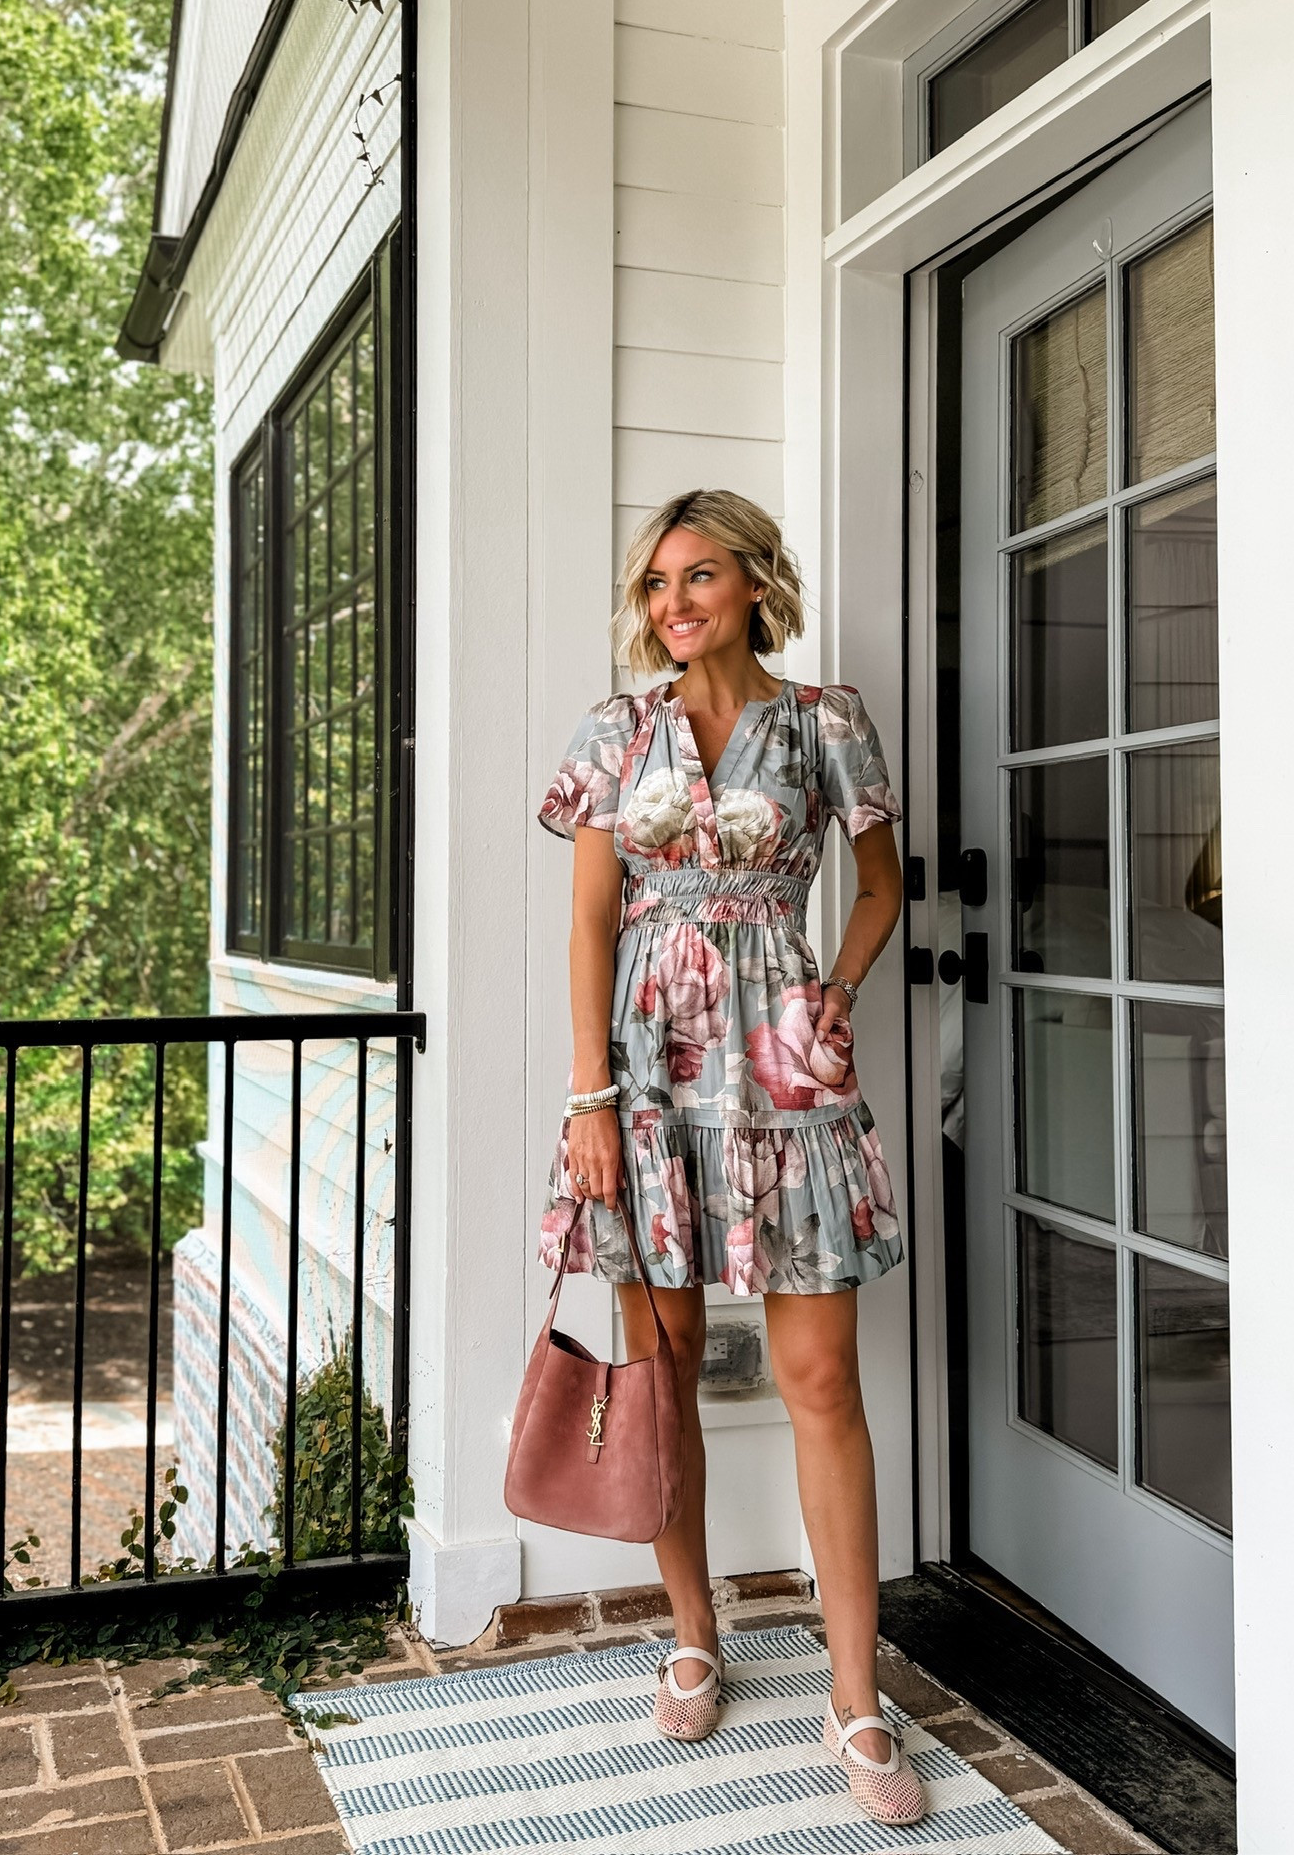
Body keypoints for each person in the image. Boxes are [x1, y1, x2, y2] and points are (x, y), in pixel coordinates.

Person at [536, 489, 922, 1828]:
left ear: (756, 583)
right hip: (644, 1071)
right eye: (655, 583)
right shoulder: (616, 731)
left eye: (700, 576)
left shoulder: (826, 719)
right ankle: (692, 1630)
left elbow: (881, 885)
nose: (672, 602)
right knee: (666, 1369)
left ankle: (857, 1697)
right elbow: (593, 922)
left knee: (822, 1377)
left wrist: (844, 990)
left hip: (783, 1059)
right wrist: (588, 1097)